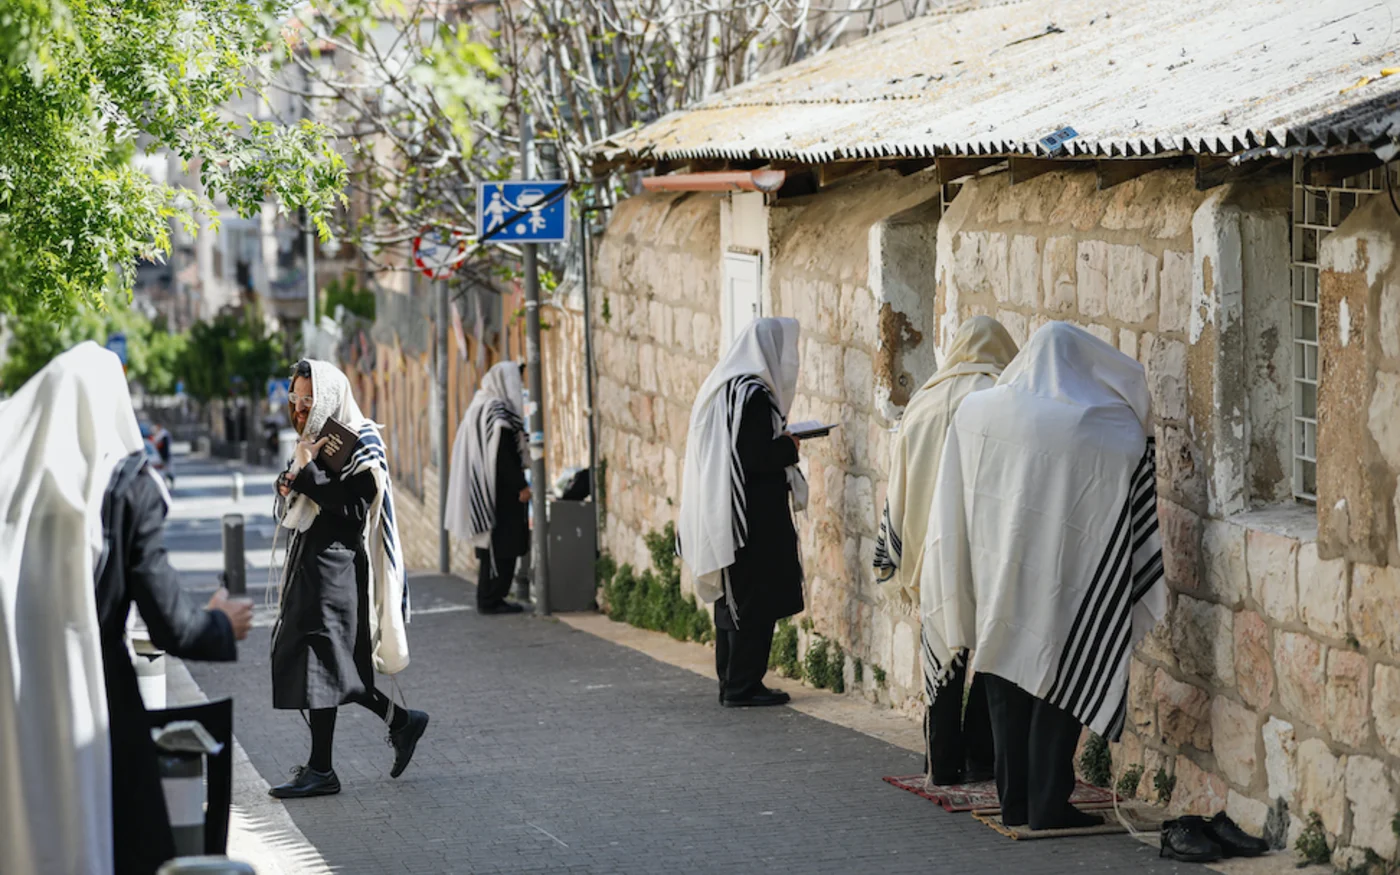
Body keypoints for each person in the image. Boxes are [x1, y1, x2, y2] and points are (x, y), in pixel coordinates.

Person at [0, 342, 252, 875]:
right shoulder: (124, 489)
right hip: (99, 707)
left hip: (13, 702)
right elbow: (171, 622)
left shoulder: (11, 492)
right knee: (124, 846)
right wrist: (220, 623)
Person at [922, 322, 1167, 830]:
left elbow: (954, 497)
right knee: (1065, 677)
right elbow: (1134, 441)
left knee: (1003, 684)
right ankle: (1048, 803)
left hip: (993, 574)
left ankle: (1014, 800)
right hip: (1065, 575)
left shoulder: (978, 411)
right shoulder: (1095, 425)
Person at [269, 359, 426, 799]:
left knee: (325, 663)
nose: (300, 409)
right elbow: (303, 497)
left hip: (336, 566)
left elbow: (355, 507)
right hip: (310, 561)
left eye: (308, 399)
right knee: (327, 663)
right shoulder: (312, 440)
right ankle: (400, 722)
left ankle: (323, 769)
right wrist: (289, 481)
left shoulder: (361, 441)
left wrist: (306, 472)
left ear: (329, 397)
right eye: (295, 400)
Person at [874, 315, 1017, 786]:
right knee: (992, 649)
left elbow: (900, 482)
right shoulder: (1002, 397)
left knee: (942, 647)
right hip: (985, 546)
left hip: (929, 549)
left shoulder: (924, 400)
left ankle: (943, 761)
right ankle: (982, 753)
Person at [677, 317, 806, 708]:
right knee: (756, 598)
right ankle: (743, 685)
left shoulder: (724, 387)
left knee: (733, 598)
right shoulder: (751, 395)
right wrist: (790, 446)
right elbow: (754, 457)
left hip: (726, 512)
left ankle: (731, 679)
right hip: (754, 516)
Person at [444, 361, 531, 614]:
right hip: (501, 493)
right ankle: (492, 599)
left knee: (493, 546)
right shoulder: (497, 412)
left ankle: (491, 597)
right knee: (504, 545)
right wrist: (521, 485)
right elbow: (503, 457)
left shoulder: (480, 406)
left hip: (485, 487)